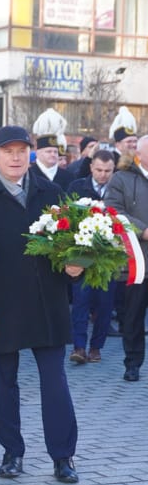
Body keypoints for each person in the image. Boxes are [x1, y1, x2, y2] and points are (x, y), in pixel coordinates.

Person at [0, 125, 80, 484]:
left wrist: (75, 266)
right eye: (6, 150)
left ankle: (63, 456)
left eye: (21, 150)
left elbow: (70, 243)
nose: (14, 157)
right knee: (3, 382)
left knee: (55, 382)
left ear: (30, 153)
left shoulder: (52, 192)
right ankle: (12, 452)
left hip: (47, 302)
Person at [105, 135, 148, 382]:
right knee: (132, 317)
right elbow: (114, 211)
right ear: (139, 156)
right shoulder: (121, 179)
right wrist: (142, 230)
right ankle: (132, 363)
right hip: (137, 261)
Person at [67, 150, 116, 364]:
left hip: (109, 253)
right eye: (99, 170)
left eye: (108, 171)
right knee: (81, 300)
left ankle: (96, 347)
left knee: (105, 303)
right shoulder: (77, 187)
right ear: (91, 168)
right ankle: (79, 347)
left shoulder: (117, 189)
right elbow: (67, 218)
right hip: (83, 252)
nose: (103, 175)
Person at [32, 108, 74, 191]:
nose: (53, 154)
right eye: (48, 151)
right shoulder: (28, 175)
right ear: (38, 152)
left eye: (55, 151)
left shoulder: (69, 177)